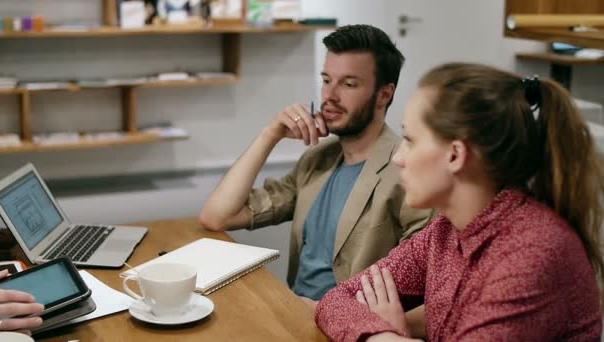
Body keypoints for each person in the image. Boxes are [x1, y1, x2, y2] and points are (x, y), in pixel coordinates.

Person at [315, 62, 604, 341]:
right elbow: (336, 300)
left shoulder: (533, 253)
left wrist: (392, 336)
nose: (397, 157)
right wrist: (383, 335)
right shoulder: (446, 230)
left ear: (455, 155)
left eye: (411, 140)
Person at [199, 24, 433, 304]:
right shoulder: (316, 159)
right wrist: (269, 135)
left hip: (347, 326)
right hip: (295, 314)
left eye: (348, 84)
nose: (329, 96)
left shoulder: (408, 172)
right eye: (326, 80)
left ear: (384, 94)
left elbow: (426, 289)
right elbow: (218, 217)